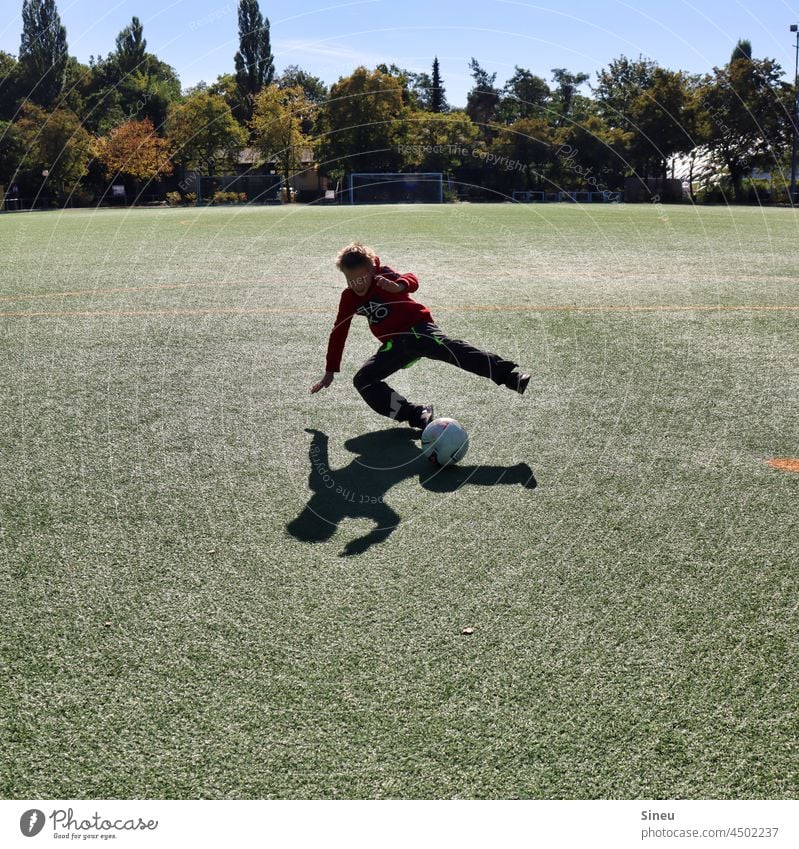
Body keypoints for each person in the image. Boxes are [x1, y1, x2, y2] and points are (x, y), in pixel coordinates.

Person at [311, 241, 530, 429]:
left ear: (370, 270)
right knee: (363, 380)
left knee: (452, 349)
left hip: (419, 329)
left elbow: (412, 279)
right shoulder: (349, 298)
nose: (356, 285)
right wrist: (330, 371)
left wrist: (397, 286)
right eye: (351, 280)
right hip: (394, 344)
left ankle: (510, 377)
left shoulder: (383, 276)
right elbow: (338, 333)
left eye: (360, 279)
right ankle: (417, 414)